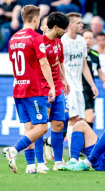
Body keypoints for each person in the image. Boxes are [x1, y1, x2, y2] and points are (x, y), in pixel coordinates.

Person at [3, 5, 55, 174]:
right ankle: (14, 150)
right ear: (35, 19)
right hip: (33, 89)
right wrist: (52, 86)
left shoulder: (13, 38)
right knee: (42, 128)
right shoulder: (36, 37)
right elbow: (44, 63)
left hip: (18, 88)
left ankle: (31, 166)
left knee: (29, 128)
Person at [34, 12, 70, 172]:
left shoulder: (58, 43)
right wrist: (50, 87)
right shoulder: (39, 42)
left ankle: (58, 161)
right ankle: (40, 162)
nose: (65, 32)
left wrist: (64, 79)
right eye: (64, 29)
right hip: (43, 89)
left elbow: (58, 63)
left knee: (59, 124)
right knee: (41, 127)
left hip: (57, 88)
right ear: (55, 27)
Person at [61, 12, 99, 155]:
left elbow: (84, 66)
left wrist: (92, 85)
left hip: (79, 86)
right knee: (73, 119)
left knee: (81, 120)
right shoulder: (62, 41)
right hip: (67, 86)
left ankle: (76, 153)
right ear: (70, 25)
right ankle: (73, 155)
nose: (82, 25)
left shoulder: (82, 42)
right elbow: (58, 64)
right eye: (79, 23)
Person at [82, 29, 105, 128]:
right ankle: (88, 140)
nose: (88, 40)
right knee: (89, 117)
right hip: (81, 88)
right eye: (86, 38)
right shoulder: (78, 53)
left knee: (87, 118)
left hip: (91, 88)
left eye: (90, 38)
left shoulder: (95, 54)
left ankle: (85, 140)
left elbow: (99, 70)